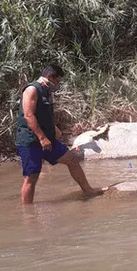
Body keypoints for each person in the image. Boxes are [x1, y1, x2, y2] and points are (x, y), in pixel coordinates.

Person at [15, 64, 104, 204]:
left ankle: (88, 190)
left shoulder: (46, 91)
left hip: (48, 140)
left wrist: (54, 129)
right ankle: (27, 212)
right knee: (31, 177)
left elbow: (43, 115)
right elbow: (29, 115)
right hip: (31, 141)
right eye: (57, 81)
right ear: (49, 77)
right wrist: (42, 138)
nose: (57, 85)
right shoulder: (32, 89)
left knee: (72, 160)